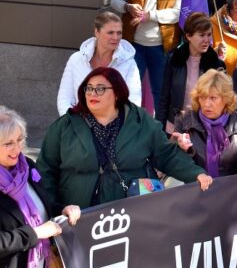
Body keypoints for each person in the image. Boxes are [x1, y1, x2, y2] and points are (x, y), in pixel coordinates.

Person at [38, 67, 212, 209]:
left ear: (117, 93)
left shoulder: (140, 120)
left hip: (130, 215)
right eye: (89, 88)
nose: (92, 93)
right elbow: (45, 169)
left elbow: (165, 154)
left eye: (100, 88)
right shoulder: (66, 125)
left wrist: (195, 173)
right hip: (78, 216)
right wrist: (53, 209)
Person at [0, 106, 81, 268]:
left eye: (20, 140)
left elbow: (41, 208)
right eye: (8, 143)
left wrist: (62, 209)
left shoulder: (27, 166)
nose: (17, 149)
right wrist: (35, 233)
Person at [110, 0, 182, 106]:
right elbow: (115, 0)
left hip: (161, 47)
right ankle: (129, 126)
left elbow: (177, 13)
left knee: (160, 91)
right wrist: (127, 7)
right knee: (129, 90)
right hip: (134, 46)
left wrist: (148, 15)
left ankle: (160, 129)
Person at [57, 11, 141, 116]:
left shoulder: (129, 64)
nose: (116, 37)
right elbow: (64, 98)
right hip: (78, 125)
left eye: (119, 33)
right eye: (110, 32)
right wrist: (71, 124)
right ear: (97, 32)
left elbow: (133, 101)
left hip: (115, 128)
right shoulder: (76, 59)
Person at [173, 70, 237, 178]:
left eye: (213, 98)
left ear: (226, 99)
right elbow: (175, 164)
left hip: (231, 190)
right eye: (202, 97)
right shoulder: (184, 120)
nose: (206, 104)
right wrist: (180, 148)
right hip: (194, 188)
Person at [156, 12, 225, 132]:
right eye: (202, 35)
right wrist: (158, 130)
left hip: (204, 128)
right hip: (175, 128)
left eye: (209, 35)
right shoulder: (174, 59)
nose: (206, 40)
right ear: (188, 36)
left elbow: (223, 101)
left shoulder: (216, 64)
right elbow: (164, 98)